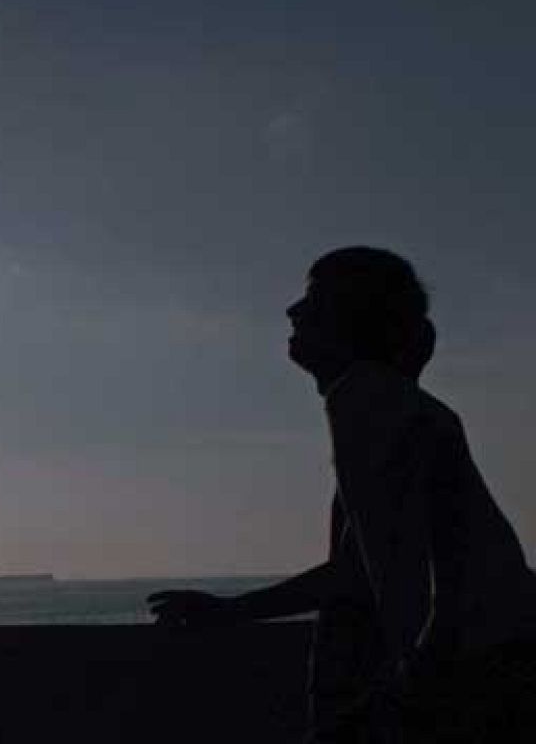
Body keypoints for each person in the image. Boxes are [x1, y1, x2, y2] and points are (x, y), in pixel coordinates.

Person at [148, 248, 536, 742]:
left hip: (485, 665)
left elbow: (443, 539)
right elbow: (360, 569)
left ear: (351, 317)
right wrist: (230, 610)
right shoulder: (396, 401)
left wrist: (434, 648)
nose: (293, 311)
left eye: (313, 299)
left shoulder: (362, 397)